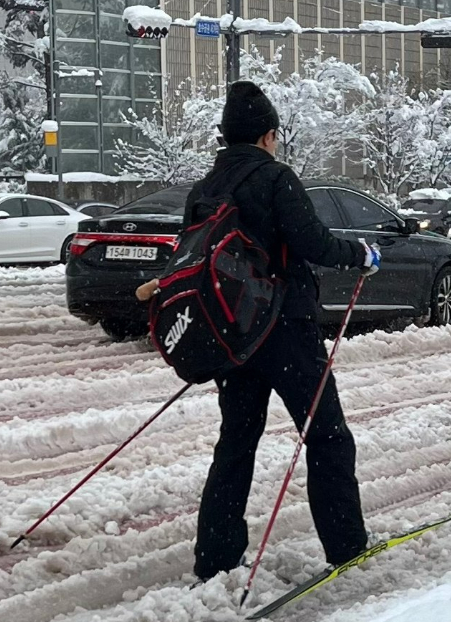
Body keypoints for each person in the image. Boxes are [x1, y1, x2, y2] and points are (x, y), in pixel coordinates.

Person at [146, 81, 381, 581]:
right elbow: (313, 243)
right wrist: (361, 255)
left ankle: (216, 558)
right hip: (287, 331)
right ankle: (346, 548)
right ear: (268, 135)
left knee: (235, 442)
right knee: (327, 437)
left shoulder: (205, 188)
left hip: (232, 337)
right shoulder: (276, 178)